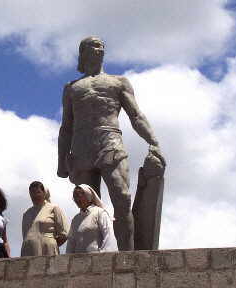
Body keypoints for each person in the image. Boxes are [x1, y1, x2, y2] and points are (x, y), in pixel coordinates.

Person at [57, 36, 165, 250]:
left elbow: (136, 115)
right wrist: (61, 161)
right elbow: (66, 126)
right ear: (83, 52)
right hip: (80, 146)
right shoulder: (71, 88)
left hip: (110, 141)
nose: (100, 49)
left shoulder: (119, 82)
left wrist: (153, 141)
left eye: (101, 45)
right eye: (94, 45)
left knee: (122, 198)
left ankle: (128, 254)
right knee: (85, 205)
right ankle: (89, 253)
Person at [21, 181, 69, 256]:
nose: (35, 195)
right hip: (28, 251)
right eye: (32, 193)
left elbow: (64, 234)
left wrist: (49, 243)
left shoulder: (53, 208)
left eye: (38, 192)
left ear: (44, 193)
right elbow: (25, 236)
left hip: (48, 251)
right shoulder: (26, 214)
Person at [66, 184, 118, 253]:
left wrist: (103, 256)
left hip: (96, 260)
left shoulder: (100, 213)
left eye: (79, 196)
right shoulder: (75, 219)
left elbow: (109, 235)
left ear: (88, 196)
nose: (76, 199)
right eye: (75, 197)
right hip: (78, 261)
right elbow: (71, 242)